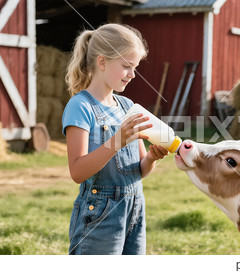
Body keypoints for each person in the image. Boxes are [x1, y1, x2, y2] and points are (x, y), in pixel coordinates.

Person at [62, 23, 168, 255]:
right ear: (102, 62)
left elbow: (138, 171)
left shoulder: (128, 107)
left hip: (135, 208)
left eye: (135, 67)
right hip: (100, 212)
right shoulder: (80, 106)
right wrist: (116, 141)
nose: (132, 74)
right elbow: (77, 172)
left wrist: (151, 158)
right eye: (126, 66)